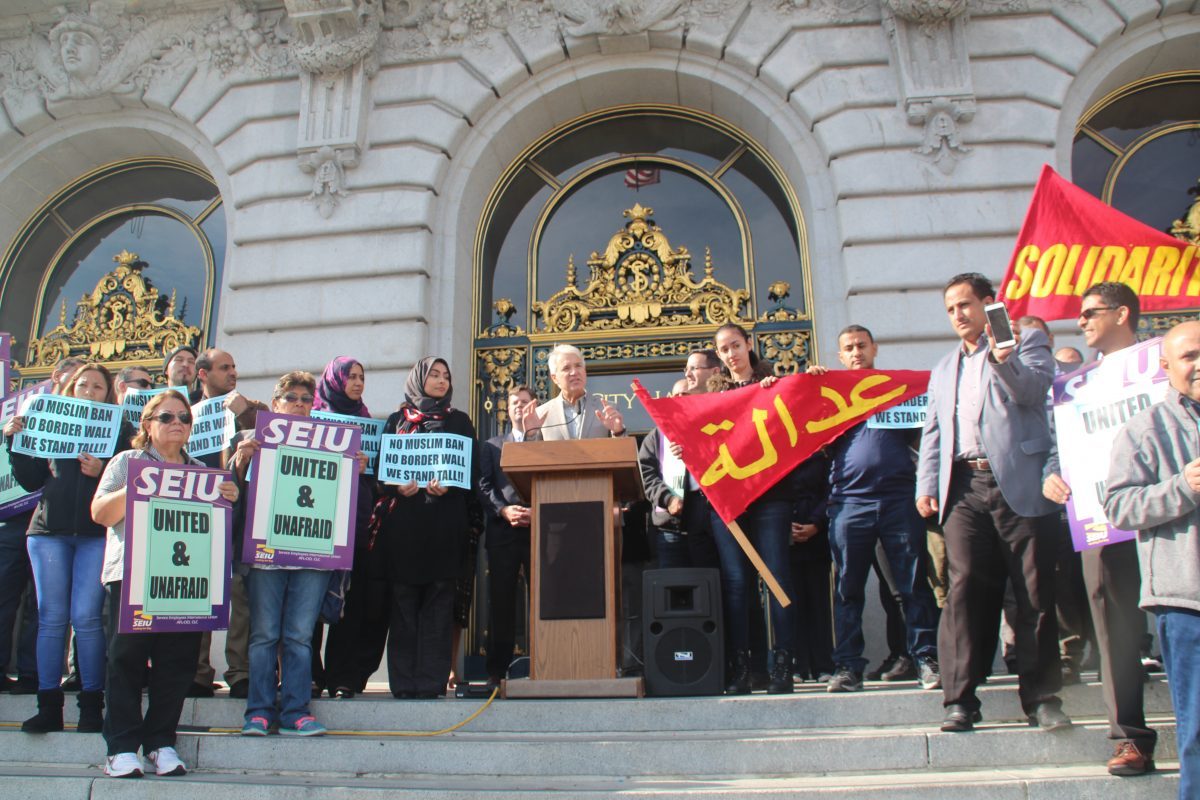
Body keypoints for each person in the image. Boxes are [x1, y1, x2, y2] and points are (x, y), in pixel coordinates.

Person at [916, 272, 1069, 733]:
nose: (958, 315)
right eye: (950, 309)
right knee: (962, 593)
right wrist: (927, 482)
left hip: (1019, 485)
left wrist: (1004, 359)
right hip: (963, 488)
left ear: (989, 304)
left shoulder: (1027, 343)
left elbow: (1034, 392)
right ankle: (960, 699)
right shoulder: (943, 368)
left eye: (965, 305)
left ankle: (1042, 699)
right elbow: (934, 430)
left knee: (1033, 593)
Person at [92, 390, 238, 777]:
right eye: (167, 417)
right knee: (126, 661)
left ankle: (160, 742)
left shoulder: (202, 472)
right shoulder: (127, 462)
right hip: (133, 577)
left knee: (176, 665)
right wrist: (139, 486)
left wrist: (228, 497)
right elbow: (100, 513)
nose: (177, 424)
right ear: (147, 424)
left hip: (186, 583)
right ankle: (121, 747)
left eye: (184, 419)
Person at [1042, 282, 1156, 775]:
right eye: (1080, 314)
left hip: (1168, 514)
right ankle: (1129, 737)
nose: (1082, 321)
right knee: (1113, 628)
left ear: (1123, 313)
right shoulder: (1074, 385)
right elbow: (1059, 443)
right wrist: (1052, 472)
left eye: (1091, 312)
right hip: (1103, 520)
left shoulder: (1163, 364)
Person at [809, 325, 941, 692]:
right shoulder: (829, 394)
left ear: (874, 348)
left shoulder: (897, 390)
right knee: (848, 590)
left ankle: (925, 658)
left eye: (861, 346)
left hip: (899, 499)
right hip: (849, 503)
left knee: (912, 585)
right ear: (839, 356)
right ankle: (848, 667)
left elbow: (926, 434)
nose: (856, 352)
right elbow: (808, 436)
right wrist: (813, 386)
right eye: (848, 348)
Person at [4, 363, 130, 734]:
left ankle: (91, 706)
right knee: (51, 619)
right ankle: (48, 706)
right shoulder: (49, 421)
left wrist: (101, 468)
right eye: (83, 385)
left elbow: (128, 476)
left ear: (109, 394)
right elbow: (30, 480)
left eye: (97, 387)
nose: (89, 392)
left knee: (87, 618)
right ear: (70, 389)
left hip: (94, 534)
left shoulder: (120, 430)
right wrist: (16, 443)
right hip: (47, 533)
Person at [1105, 320, 1200, 799]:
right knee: (1199, 734)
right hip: (1187, 604)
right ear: (1166, 368)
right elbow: (1119, 507)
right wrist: (1184, 485)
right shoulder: (1145, 430)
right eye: (1189, 356)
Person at [230, 371, 348, 736]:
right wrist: (238, 464)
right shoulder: (248, 440)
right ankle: (260, 711)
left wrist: (354, 470)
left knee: (298, 636)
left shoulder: (330, 443)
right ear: (275, 402)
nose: (298, 404)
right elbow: (226, 496)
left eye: (305, 399)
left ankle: (296, 711)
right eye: (291, 397)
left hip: (312, 556)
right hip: (265, 556)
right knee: (264, 635)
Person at [375, 358, 481, 698]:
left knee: (438, 606)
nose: (440, 380)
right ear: (418, 380)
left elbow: (472, 469)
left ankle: (431, 683)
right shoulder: (397, 421)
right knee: (404, 605)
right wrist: (396, 486)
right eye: (433, 375)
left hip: (445, 527)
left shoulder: (459, 421)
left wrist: (451, 483)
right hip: (405, 530)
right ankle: (404, 683)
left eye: (446, 376)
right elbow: (382, 470)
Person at [704, 322, 797, 695]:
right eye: (723, 349)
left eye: (735, 345)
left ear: (748, 346)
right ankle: (741, 668)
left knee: (776, 581)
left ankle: (783, 666)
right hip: (729, 502)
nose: (730, 354)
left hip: (771, 498)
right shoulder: (712, 395)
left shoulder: (775, 382)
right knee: (737, 585)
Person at [191, 348, 267, 699]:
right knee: (198, 595)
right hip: (197, 517)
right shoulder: (184, 412)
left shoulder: (248, 408)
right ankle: (197, 672)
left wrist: (245, 413)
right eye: (224, 368)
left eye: (235, 366)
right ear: (203, 374)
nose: (233, 373)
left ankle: (240, 672)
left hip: (240, 518)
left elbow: (271, 425)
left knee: (241, 597)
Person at [314, 357, 381, 698]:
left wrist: (369, 466)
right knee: (310, 603)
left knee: (350, 605)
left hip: (356, 527)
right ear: (335, 380)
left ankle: (343, 676)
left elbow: (382, 479)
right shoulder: (312, 418)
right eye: (350, 377)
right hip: (315, 525)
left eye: (361, 377)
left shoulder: (367, 423)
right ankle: (311, 673)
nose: (357, 383)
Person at [637, 350, 722, 570]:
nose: (677, 400)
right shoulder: (656, 436)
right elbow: (646, 474)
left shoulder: (711, 425)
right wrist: (668, 499)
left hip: (708, 524)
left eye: (684, 395)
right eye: (673, 396)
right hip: (670, 527)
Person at [478, 385, 537, 687]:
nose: (519, 407)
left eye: (525, 402)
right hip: (503, 533)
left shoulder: (541, 441)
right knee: (501, 603)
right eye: (515, 402)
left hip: (539, 531)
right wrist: (503, 511)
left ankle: (545, 665)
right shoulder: (491, 445)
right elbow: (484, 485)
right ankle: (496, 671)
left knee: (543, 602)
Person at [526, 345, 626, 440]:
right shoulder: (541, 414)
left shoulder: (607, 409)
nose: (574, 372)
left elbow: (625, 453)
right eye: (566, 368)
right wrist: (530, 435)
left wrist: (618, 432)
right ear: (555, 378)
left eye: (578, 366)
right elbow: (532, 456)